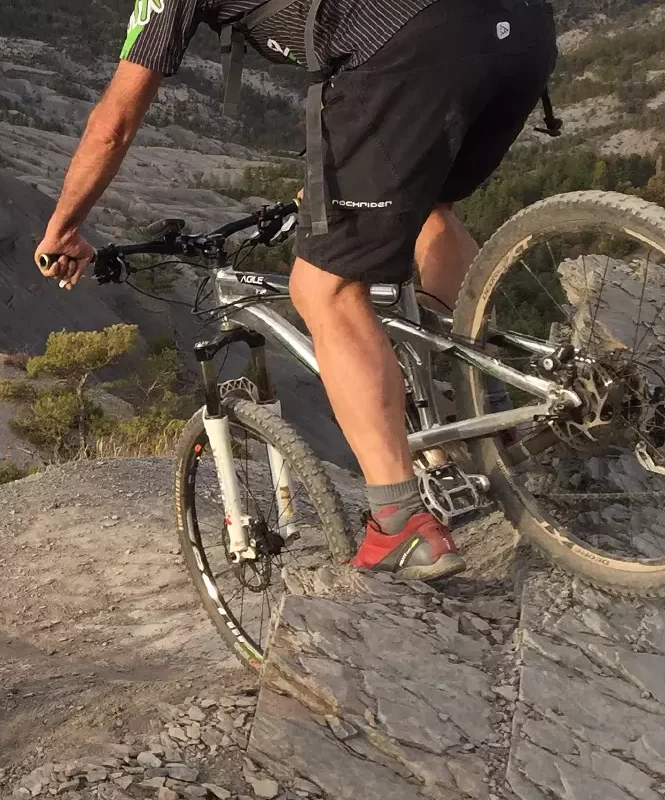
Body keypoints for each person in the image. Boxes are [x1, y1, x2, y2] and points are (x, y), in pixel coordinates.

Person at [33, 0, 558, 581]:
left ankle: (400, 524)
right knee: (430, 208)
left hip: (414, 42)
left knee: (326, 290)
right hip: (521, 28)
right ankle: (490, 413)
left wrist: (64, 227)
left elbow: (114, 124)